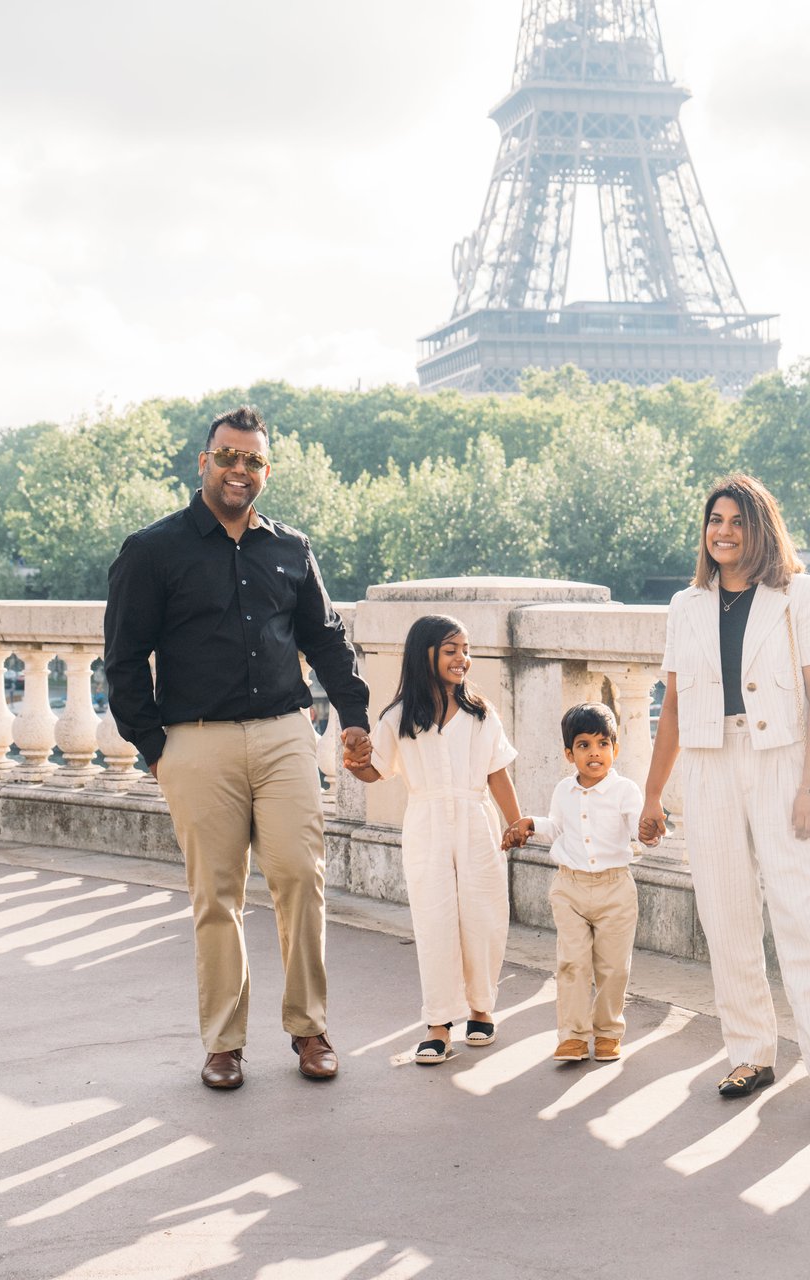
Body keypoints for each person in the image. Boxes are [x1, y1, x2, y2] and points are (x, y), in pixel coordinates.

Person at [103, 405, 371, 1092]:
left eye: (252, 460)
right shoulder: (152, 551)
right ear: (204, 462)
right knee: (216, 897)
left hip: (284, 735)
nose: (238, 469)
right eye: (227, 456)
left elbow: (326, 638)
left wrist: (354, 714)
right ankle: (223, 1044)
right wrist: (156, 748)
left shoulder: (291, 548)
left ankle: (310, 1028)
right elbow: (124, 660)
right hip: (197, 743)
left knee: (300, 879)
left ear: (266, 471)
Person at [637, 474, 810, 1105]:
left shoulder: (805, 595)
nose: (725, 532)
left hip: (782, 762)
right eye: (715, 520)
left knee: (804, 913)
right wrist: (653, 795)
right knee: (726, 915)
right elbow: (673, 709)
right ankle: (750, 1054)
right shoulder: (687, 605)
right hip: (708, 765)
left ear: (761, 527)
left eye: (738, 521)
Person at [345, 614, 523, 1064]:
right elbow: (375, 770)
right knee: (435, 921)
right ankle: (439, 1024)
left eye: (466, 649)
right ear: (423, 655)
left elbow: (497, 773)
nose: (462, 658)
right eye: (450, 650)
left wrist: (516, 821)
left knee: (484, 916)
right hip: (426, 824)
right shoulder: (399, 717)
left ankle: (482, 1008)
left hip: (477, 822)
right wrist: (354, 763)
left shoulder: (481, 713)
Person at [502, 702, 644, 1065]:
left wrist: (650, 831)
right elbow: (557, 829)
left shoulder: (625, 791)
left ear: (615, 749)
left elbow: (637, 830)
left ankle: (608, 1032)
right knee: (572, 964)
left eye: (602, 743)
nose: (594, 752)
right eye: (584, 745)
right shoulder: (563, 791)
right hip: (570, 888)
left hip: (616, 888)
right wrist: (531, 823)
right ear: (569, 754)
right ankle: (573, 1036)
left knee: (614, 968)